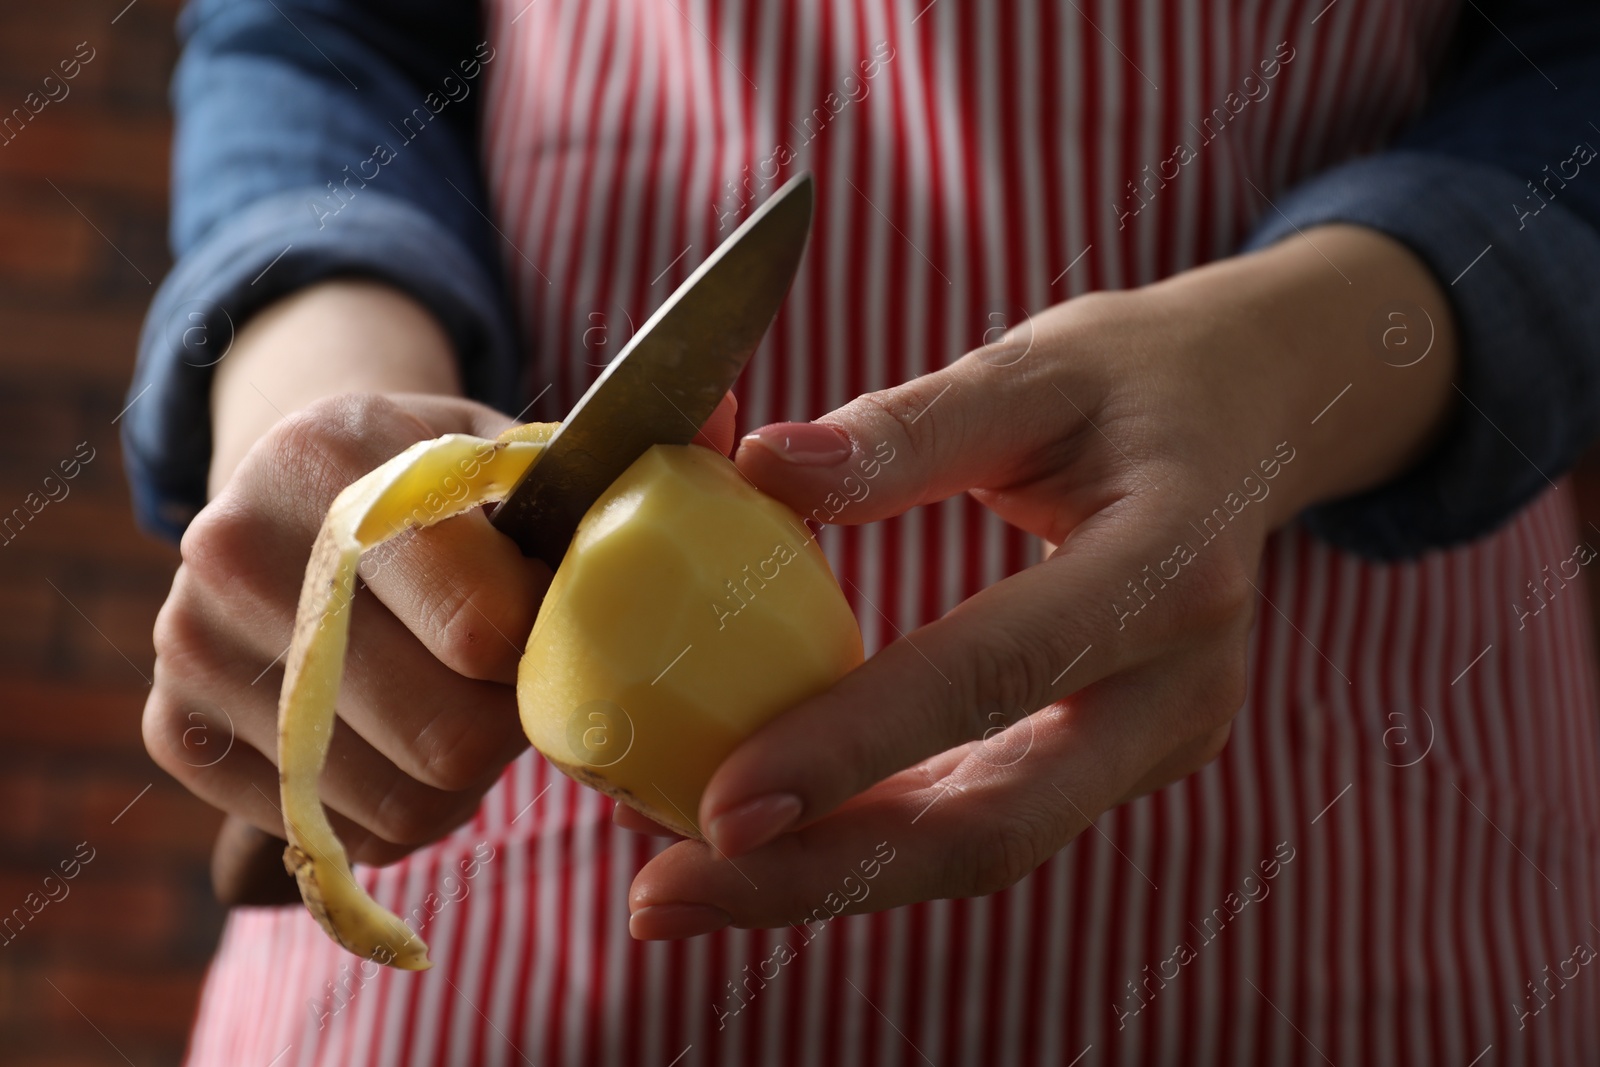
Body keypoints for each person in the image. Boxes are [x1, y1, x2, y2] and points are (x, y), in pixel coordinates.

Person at [128, 0, 1600, 1063]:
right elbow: (319, 33)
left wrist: (1305, 358)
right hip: (506, 914)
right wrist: (330, 428)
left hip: (1339, 865)